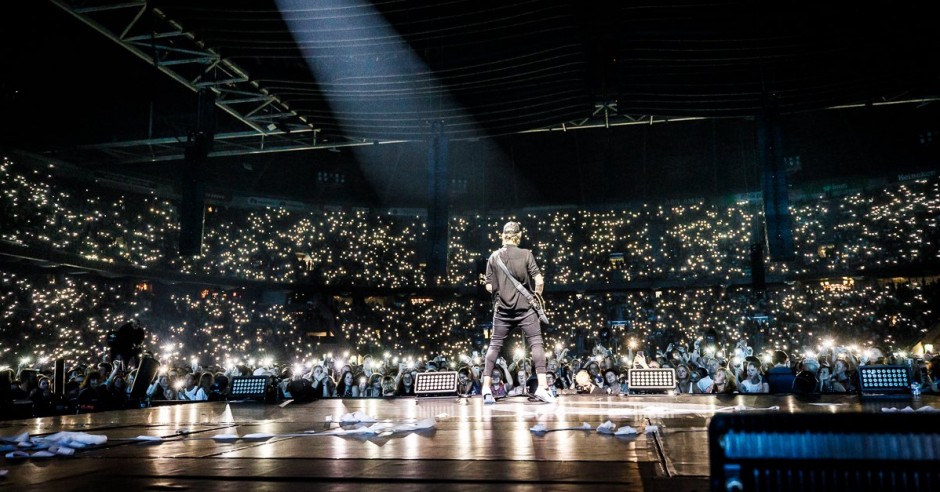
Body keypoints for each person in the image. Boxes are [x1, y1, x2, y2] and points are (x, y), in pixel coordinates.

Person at [481, 221, 555, 404]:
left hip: (503, 311)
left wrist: (494, 286)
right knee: (536, 343)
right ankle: (543, 387)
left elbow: (491, 287)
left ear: (503, 235)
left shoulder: (493, 257)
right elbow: (539, 281)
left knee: (494, 346)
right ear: (518, 236)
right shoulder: (526, 254)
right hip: (526, 309)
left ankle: (485, 389)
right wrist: (535, 296)